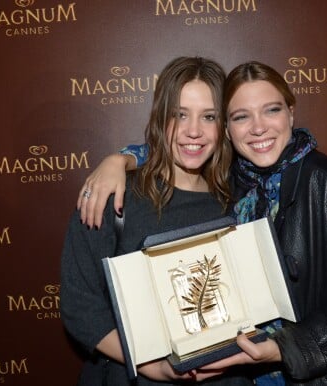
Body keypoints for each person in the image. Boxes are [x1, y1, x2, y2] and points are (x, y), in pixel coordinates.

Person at [76, 61, 327, 385]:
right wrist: (119, 159)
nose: (258, 127)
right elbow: (183, 145)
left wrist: (287, 347)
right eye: (240, 116)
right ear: (228, 129)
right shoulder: (231, 183)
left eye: (272, 110)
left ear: (291, 112)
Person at [60, 56, 253, 386]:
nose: (194, 131)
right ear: (161, 117)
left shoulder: (239, 200)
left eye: (208, 116)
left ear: (222, 125)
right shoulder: (115, 197)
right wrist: (149, 362)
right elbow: (81, 307)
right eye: (180, 115)